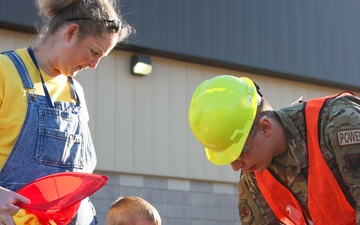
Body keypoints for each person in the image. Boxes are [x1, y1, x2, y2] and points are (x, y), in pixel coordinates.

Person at [0, 0, 134, 224]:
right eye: (94, 52)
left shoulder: (76, 93)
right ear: (71, 32)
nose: (94, 65)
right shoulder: (5, 71)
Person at [188, 75, 359, 225]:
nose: (235, 166)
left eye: (240, 152)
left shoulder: (339, 123)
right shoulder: (254, 174)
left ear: (265, 127)